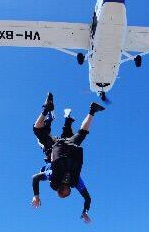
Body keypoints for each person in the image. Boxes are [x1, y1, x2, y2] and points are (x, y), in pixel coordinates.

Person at [31, 92, 105, 223]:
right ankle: (49, 111)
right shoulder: (62, 180)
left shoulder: (73, 182)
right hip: (58, 148)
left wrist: (85, 211)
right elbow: (35, 178)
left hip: (68, 149)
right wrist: (36, 195)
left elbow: (87, 198)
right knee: (37, 130)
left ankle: (91, 111)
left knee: (82, 133)